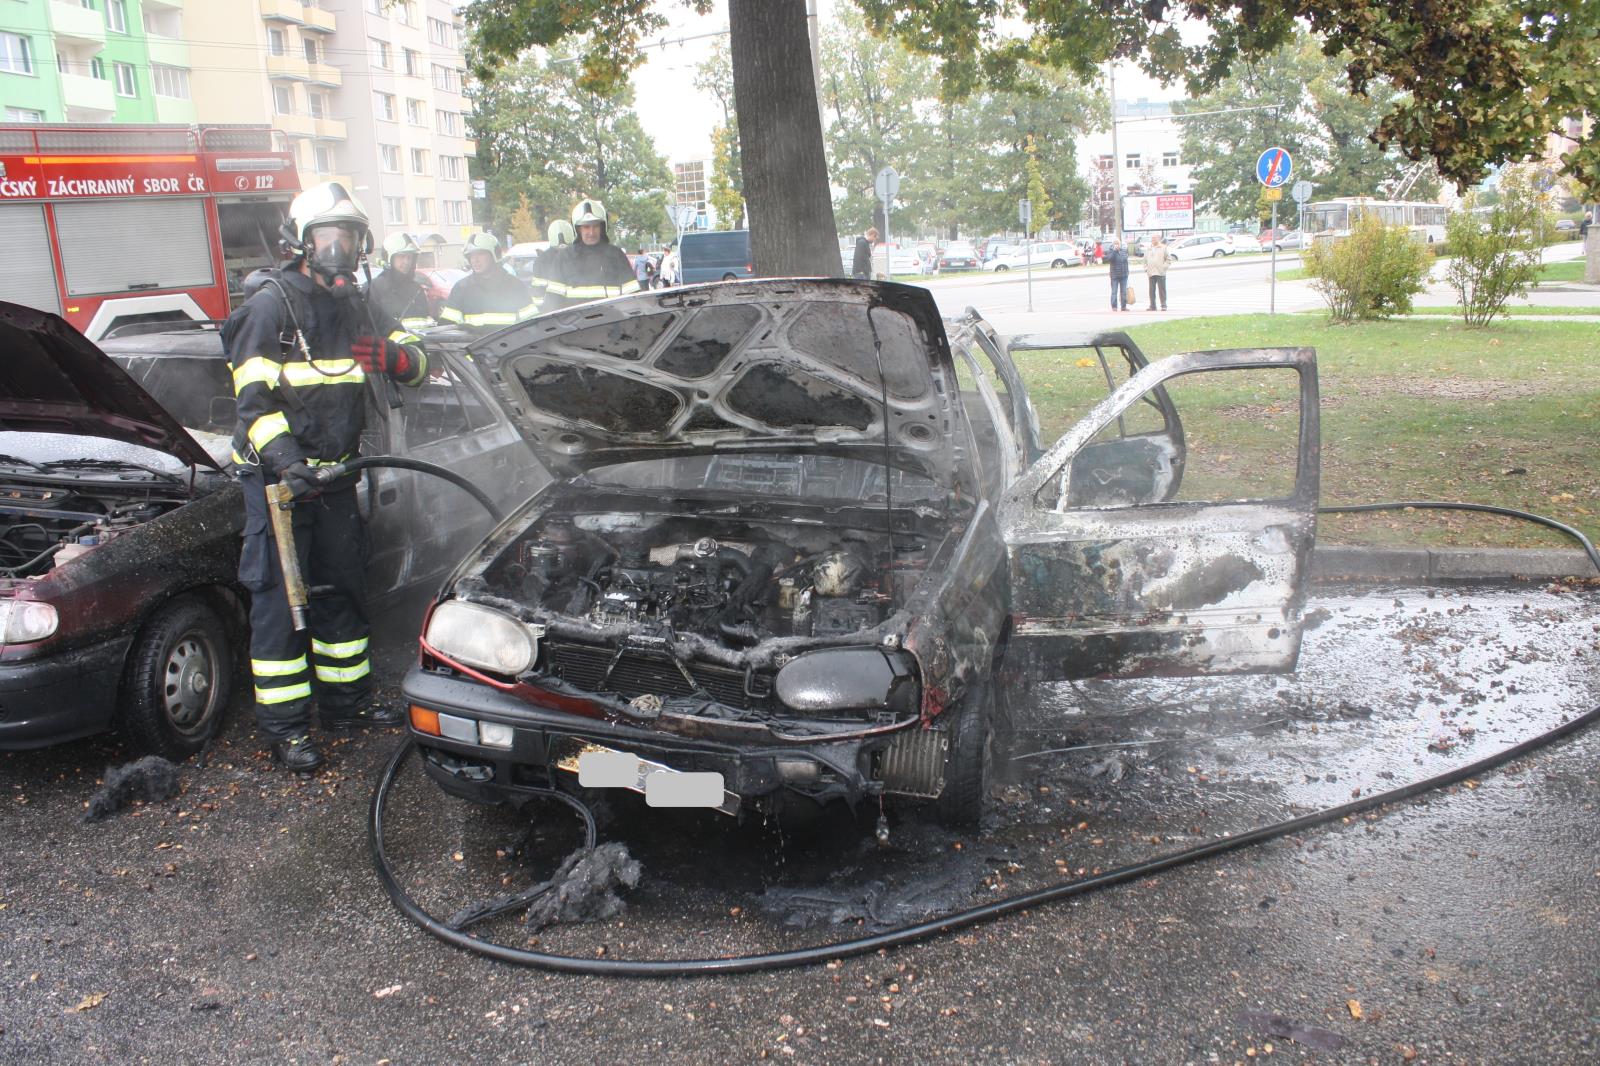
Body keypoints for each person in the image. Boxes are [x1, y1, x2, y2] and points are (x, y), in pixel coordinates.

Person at [222, 181, 429, 772]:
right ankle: (286, 728)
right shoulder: (270, 309)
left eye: (348, 239)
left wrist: (394, 357)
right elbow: (253, 407)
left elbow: (418, 358)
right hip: (280, 488)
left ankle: (348, 707)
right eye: (327, 238)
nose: (338, 251)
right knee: (281, 607)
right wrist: (288, 463)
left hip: (336, 479)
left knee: (344, 593)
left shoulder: (357, 307)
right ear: (302, 243)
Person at [538, 197, 640, 312]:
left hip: (612, 326)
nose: (591, 232)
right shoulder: (564, 258)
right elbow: (552, 302)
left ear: (602, 227)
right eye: (586, 227)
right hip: (576, 328)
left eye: (595, 226)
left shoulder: (616, 256)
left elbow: (633, 299)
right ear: (578, 229)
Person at [439, 232, 538, 328]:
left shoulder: (515, 286)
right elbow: (446, 329)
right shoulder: (461, 289)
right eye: (471, 255)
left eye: (480, 254)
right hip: (473, 345)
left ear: (494, 255)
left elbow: (532, 326)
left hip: (512, 345)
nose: (475, 260)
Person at [368, 232, 432, 332]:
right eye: (401, 256)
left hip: (417, 346)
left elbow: (425, 325)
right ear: (389, 258)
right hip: (390, 347)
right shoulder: (373, 289)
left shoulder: (417, 290)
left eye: (409, 257)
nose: (406, 262)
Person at [528, 219, 574, 305]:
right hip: (576, 311)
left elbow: (538, 296)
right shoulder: (578, 255)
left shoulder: (541, 260)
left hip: (551, 313)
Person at [1144, 233, 1170, 311]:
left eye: (1154, 238)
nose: (1153, 240)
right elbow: (1145, 260)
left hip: (1160, 272)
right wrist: (1146, 268)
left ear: (1158, 239)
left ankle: (1163, 305)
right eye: (1152, 239)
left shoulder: (1163, 248)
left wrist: (1164, 267)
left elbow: (1168, 259)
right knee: (1151, 290)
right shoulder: (1149, 248)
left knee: (1162, 289)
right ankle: (1152, 306)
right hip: (1151, 272)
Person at [1106, 237, 1130, 311]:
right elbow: (1110, 259)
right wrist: (1114, 251)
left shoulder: (1124, 251)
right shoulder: (1111, 251)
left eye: (1118, 243)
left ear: (1120, 244)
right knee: (1114, 292)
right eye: (1115, 243)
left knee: (1124, 292)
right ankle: (1114, 307)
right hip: (1115, 275)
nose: (1117, 245)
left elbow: (1125, 261)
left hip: (1124, 275)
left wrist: (1127, 271)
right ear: (1113, 245)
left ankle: (1123, 306)